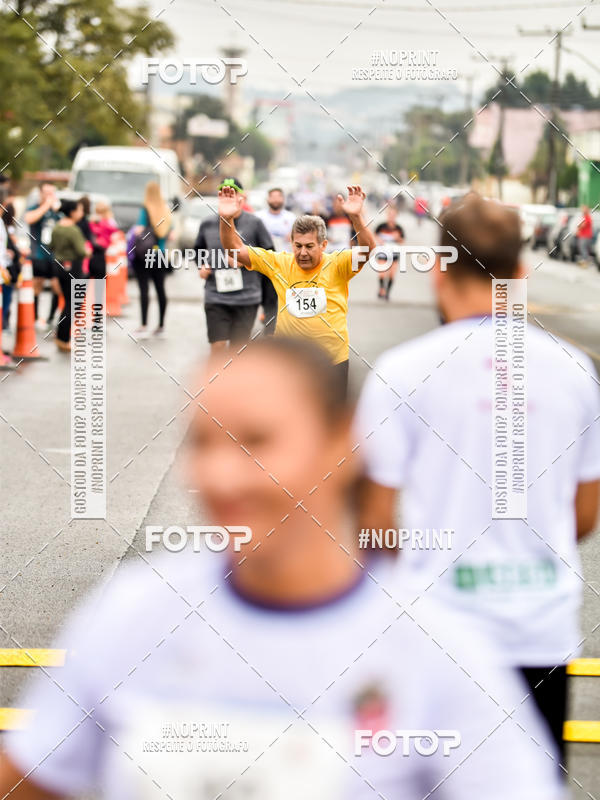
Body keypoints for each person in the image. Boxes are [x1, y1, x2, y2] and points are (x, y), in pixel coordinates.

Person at [0, 338, 564, 800]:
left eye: (256, 441)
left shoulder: (444, 652)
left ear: (342, 444)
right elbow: (29, 779)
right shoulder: (131, 612)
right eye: (202, 442)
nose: (220, 477)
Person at [355, 192, 600, 767]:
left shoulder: (402, 372)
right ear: (519, 272)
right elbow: (585, 514)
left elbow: (372, 524)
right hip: (539, 631)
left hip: (432, 629)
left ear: (439, 269)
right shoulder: (575, 372)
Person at [219, 184, 377, 395]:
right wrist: (226, 219)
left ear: (323, 245)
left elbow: (367, 250)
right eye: (298, 245)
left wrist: (356, 217)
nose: (302, 253)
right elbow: (234, 249)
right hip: (291, 364)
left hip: (333, 362)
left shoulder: (339, 264)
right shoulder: (280, 263)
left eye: (309, 246)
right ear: (291, 243)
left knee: (329, 426)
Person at [194, 177, 274, 353]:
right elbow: (198, 250)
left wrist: (245, 261)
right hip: (215, 296)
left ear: (242, 197)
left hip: (246, 297)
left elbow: (269, 255)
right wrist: (202, 265)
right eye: (224, 194)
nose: (228, 197)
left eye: (233, 193)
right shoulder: (207, 223)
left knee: (238, 350)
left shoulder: (255, 223)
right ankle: (216, 380)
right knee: (218, 346)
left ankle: (234, 380)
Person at [133, 181, 171, 339]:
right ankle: (161, 324)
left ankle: (144, 324)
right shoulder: (166, 209)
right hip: (160, 254)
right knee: (160, 289)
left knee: (144, 289)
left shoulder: (145, 209)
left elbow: (139, 230)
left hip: (145, 255)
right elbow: (171, 232)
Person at [256, 187, 296, 334]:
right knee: (268, 297)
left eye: (279, 196)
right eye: (272, 197)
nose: (276, 200)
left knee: (285, 297)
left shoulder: (291, 218)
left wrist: (292, 238)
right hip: (265, 264)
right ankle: (269, 325)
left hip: (286, 264)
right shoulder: (259, 217)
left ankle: (282, 325)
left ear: (283, 199)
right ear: (268, 199)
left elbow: (299, 239)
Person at [50, 199, 87, 352]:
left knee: (67, 302)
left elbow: (51, 246)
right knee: (73, 304)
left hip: (59, 266)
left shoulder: (57, 227)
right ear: (72, 212)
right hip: (74, 267)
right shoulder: (73, 230)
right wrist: (89, 252)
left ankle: (61, 335)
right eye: (79, 210)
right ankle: (63, 338)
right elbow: (82, 251)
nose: (82, 213)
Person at [24, 182, 61, 327]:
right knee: (37, 285)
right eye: (46, 192)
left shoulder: (56, 211)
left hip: (55, 255)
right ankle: (34, 318)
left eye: (52, 192)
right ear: (40, 193)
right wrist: (46, 205)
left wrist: (56, 208)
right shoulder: (35, 208)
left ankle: (51, 317)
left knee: (56, 285)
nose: (49, 196)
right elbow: (29, 219)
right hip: (38, 253)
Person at [374, 204, 404, 301]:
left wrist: (397, 238)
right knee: (382, 273)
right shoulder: (381, 226)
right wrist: (379, 239)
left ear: (396, 216)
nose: (391, 216)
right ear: (387, 215)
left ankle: (387, 292)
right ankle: (382, 289)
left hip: (394, 254)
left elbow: (402, 241)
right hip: (383, 253)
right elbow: (374, 235)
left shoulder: (399, 228)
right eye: (390, 214)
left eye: (393, 215)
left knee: (391, 274)